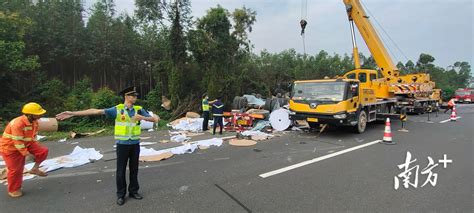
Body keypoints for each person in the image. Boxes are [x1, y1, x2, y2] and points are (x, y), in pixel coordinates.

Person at [56, 86, 159, 206]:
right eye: (133, 95)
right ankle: (121, 195)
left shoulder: (139, 109)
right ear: (126, 96)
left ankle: (133, 191)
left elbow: (156, 119)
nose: (135, 97)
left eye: (136, 95)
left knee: (134, 169)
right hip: (122, 145)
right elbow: (96, 111)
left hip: (135, 144)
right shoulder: (117, 109)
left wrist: (143, 118)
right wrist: (73, 113)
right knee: (120, 171)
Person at [0, 102, 49, 198]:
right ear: (30, 114)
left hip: (25, 144)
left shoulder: (34, 122)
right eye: (38, 113)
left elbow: (32, 136)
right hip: (10, 148)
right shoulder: (17, 123)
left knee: (43, 151)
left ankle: (35, 169)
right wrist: (27, 154)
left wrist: (34, 148)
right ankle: (13, 190)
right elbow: (17, 142)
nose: (41, 115)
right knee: (15, 170)